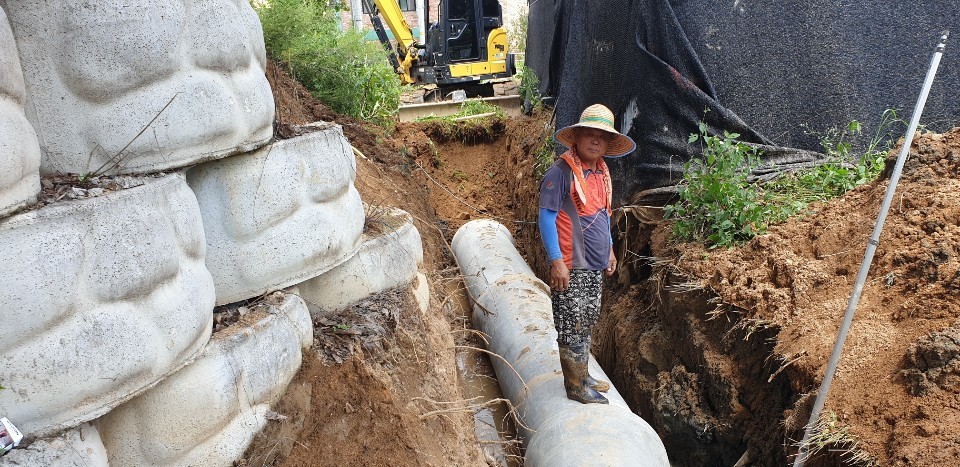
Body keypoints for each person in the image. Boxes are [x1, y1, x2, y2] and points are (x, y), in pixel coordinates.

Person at [537, 104, 636, 404]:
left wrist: (609, 251)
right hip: (571, 265)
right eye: (589, 135)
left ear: (608, 144)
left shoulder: (601, 172)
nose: (595, 141)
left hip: (593, 264)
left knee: (587, 318)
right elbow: (546, 217)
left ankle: (583, 374)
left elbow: (603, 215)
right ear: (577, 138)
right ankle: (575, 386)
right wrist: (556, 261)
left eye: (602, 137)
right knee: (571, 323)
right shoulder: (560, 173)